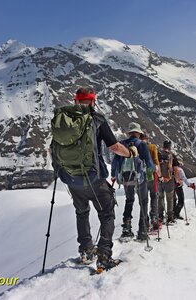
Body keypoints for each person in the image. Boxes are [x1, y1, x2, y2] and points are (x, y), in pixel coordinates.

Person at [51, 87, 134, 270]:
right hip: (93, 178)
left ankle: (86, 251)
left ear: (76, 101)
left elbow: (53, 148)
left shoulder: (63, 120)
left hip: (71, 178)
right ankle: (104, 255)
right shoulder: (97, 120)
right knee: (107, 214)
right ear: (93, 101)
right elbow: (114, 147)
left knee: (81, 213)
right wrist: (130, 153)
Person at [111, 122, 155, 241]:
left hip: (125, 177)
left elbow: (115, 161)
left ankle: (126, 228)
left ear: (129, 133)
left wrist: (113, 175)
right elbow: (149, 162)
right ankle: (142, 231)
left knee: (129, 200)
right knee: (143, 202)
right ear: (138, 133)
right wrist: (154, 170)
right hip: (139, 177)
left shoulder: (122, 144)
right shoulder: (142, 144)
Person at [140, 131, 161, 230]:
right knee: (154, 195)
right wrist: (160, 175)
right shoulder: (152, 147)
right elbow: (156, 161)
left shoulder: (137, 146)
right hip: (152, 174)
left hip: (141, 175)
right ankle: (154, 218)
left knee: (143, 199)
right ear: (147, 138)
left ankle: (144, 222)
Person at [158, 140, 180, 224]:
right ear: (170, 147)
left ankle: (160, 216)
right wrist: (178, 180)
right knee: (170, 199)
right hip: (169, 180)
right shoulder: (172, 156)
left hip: (160, 180)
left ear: (163, 146)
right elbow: (176, 169)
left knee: (160, 198)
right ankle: (170, 218)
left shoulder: (159, 154)